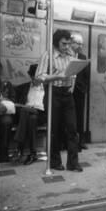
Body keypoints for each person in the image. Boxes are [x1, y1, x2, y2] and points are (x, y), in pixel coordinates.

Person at [35, 29, 83, 172]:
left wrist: (72, 86)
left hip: (67, 94)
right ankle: (55, 162)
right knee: (54, 129)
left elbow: (72, 73)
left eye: (68, 44)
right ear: (56, 43)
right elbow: (39, 76)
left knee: (72, 129)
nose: (67, 47)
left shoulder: (70, 54)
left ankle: (73, 163)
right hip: (53, 93)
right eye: (64, 44)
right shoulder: (48, 55)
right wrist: (57, 77)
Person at [13, 64, 45, 165]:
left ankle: (19, 148)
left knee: (27, 112)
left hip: (41, 113)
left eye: (38, 77)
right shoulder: (24, 87)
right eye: (33, 77)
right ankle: (32, 154)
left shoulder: (47, 88)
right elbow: (14, 100)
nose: (36, 79)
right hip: (28, 115)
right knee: (31, 118)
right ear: (30, 76)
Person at [70, 33, 90, 151]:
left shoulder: (82, 57)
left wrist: (84, 88)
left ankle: (80, 141)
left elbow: (86, 75)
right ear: (71, 43)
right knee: (69, 117)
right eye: (78, 43)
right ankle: (68, 141)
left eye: (81, 44)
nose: (80, 46)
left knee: (79, 116)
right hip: (67, 90)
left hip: (79, 90)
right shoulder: (66, 56)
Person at [0, 80, 17, 163]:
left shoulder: (8, 84)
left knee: (7, 121)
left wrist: (5, 99)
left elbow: (13, 99)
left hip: (4, 112)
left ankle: (4, 153)